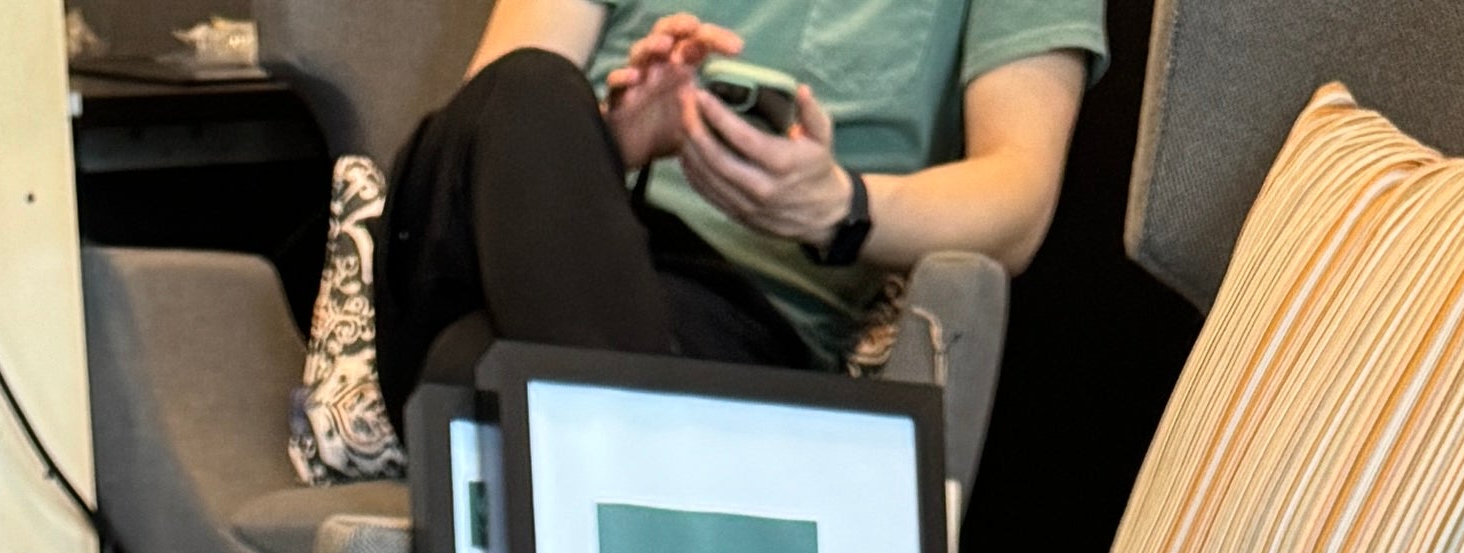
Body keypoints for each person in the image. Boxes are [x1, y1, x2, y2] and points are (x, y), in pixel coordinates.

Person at [369, 0, 1093, 405]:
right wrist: (611, 136)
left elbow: (1017, 198)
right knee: (530, 87)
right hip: (494, 254)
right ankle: (640, 482)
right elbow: (494, 113)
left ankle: (576, 431)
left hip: (719, 313)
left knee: (473, 369)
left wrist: (839, 207)